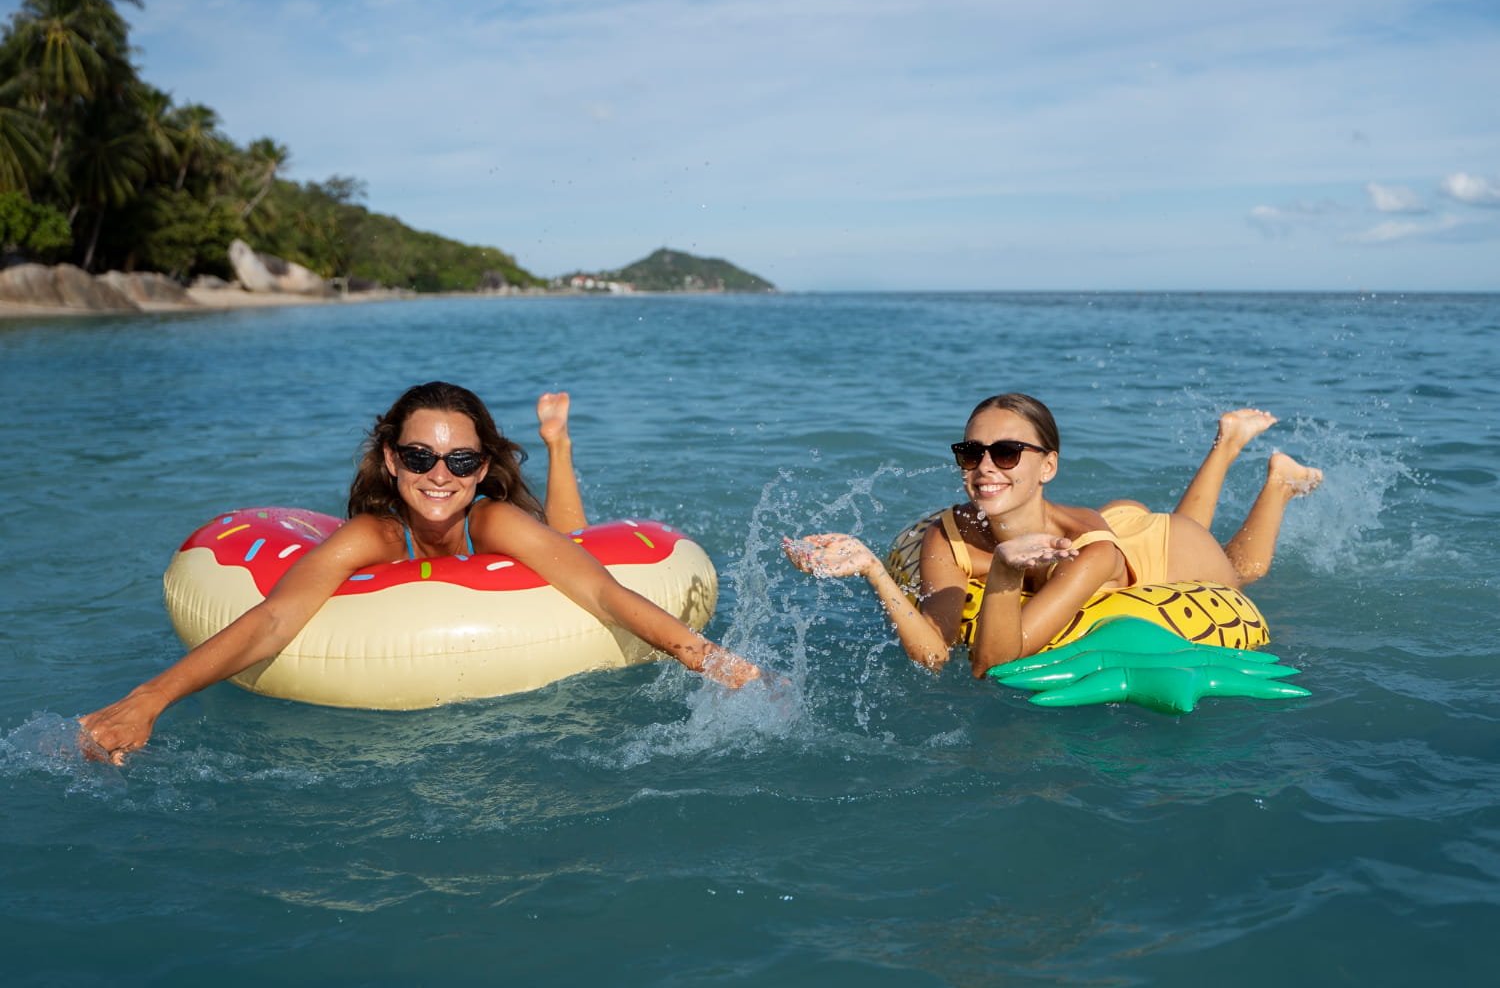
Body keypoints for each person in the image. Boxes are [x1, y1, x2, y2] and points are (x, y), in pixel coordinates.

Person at [81, 382, 760, 763]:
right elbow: (276, 617)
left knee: (565, 542)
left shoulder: (492, 521)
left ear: (483, 469)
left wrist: (713, 661)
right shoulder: (374, 534)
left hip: (518, 544)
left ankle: (558, 444)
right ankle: (555, 443)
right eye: (419, 457)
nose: (440, 475)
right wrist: (148, 700)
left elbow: (603, 592)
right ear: (392, 460)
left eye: (461, 461)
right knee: (557, 541)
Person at [783, 394, 1322, 677]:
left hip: (1162, 548)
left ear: (1048, 466)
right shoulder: (949, 534)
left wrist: (1003, 570)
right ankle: (1229, 442)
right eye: (971, 452)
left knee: (1244, 570)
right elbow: (936, 654)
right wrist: (873, 570)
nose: (985, 467)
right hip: (1080, 521)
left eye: (1007, 453)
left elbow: (993, 663)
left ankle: (1276, 481)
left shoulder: (1090, 552)